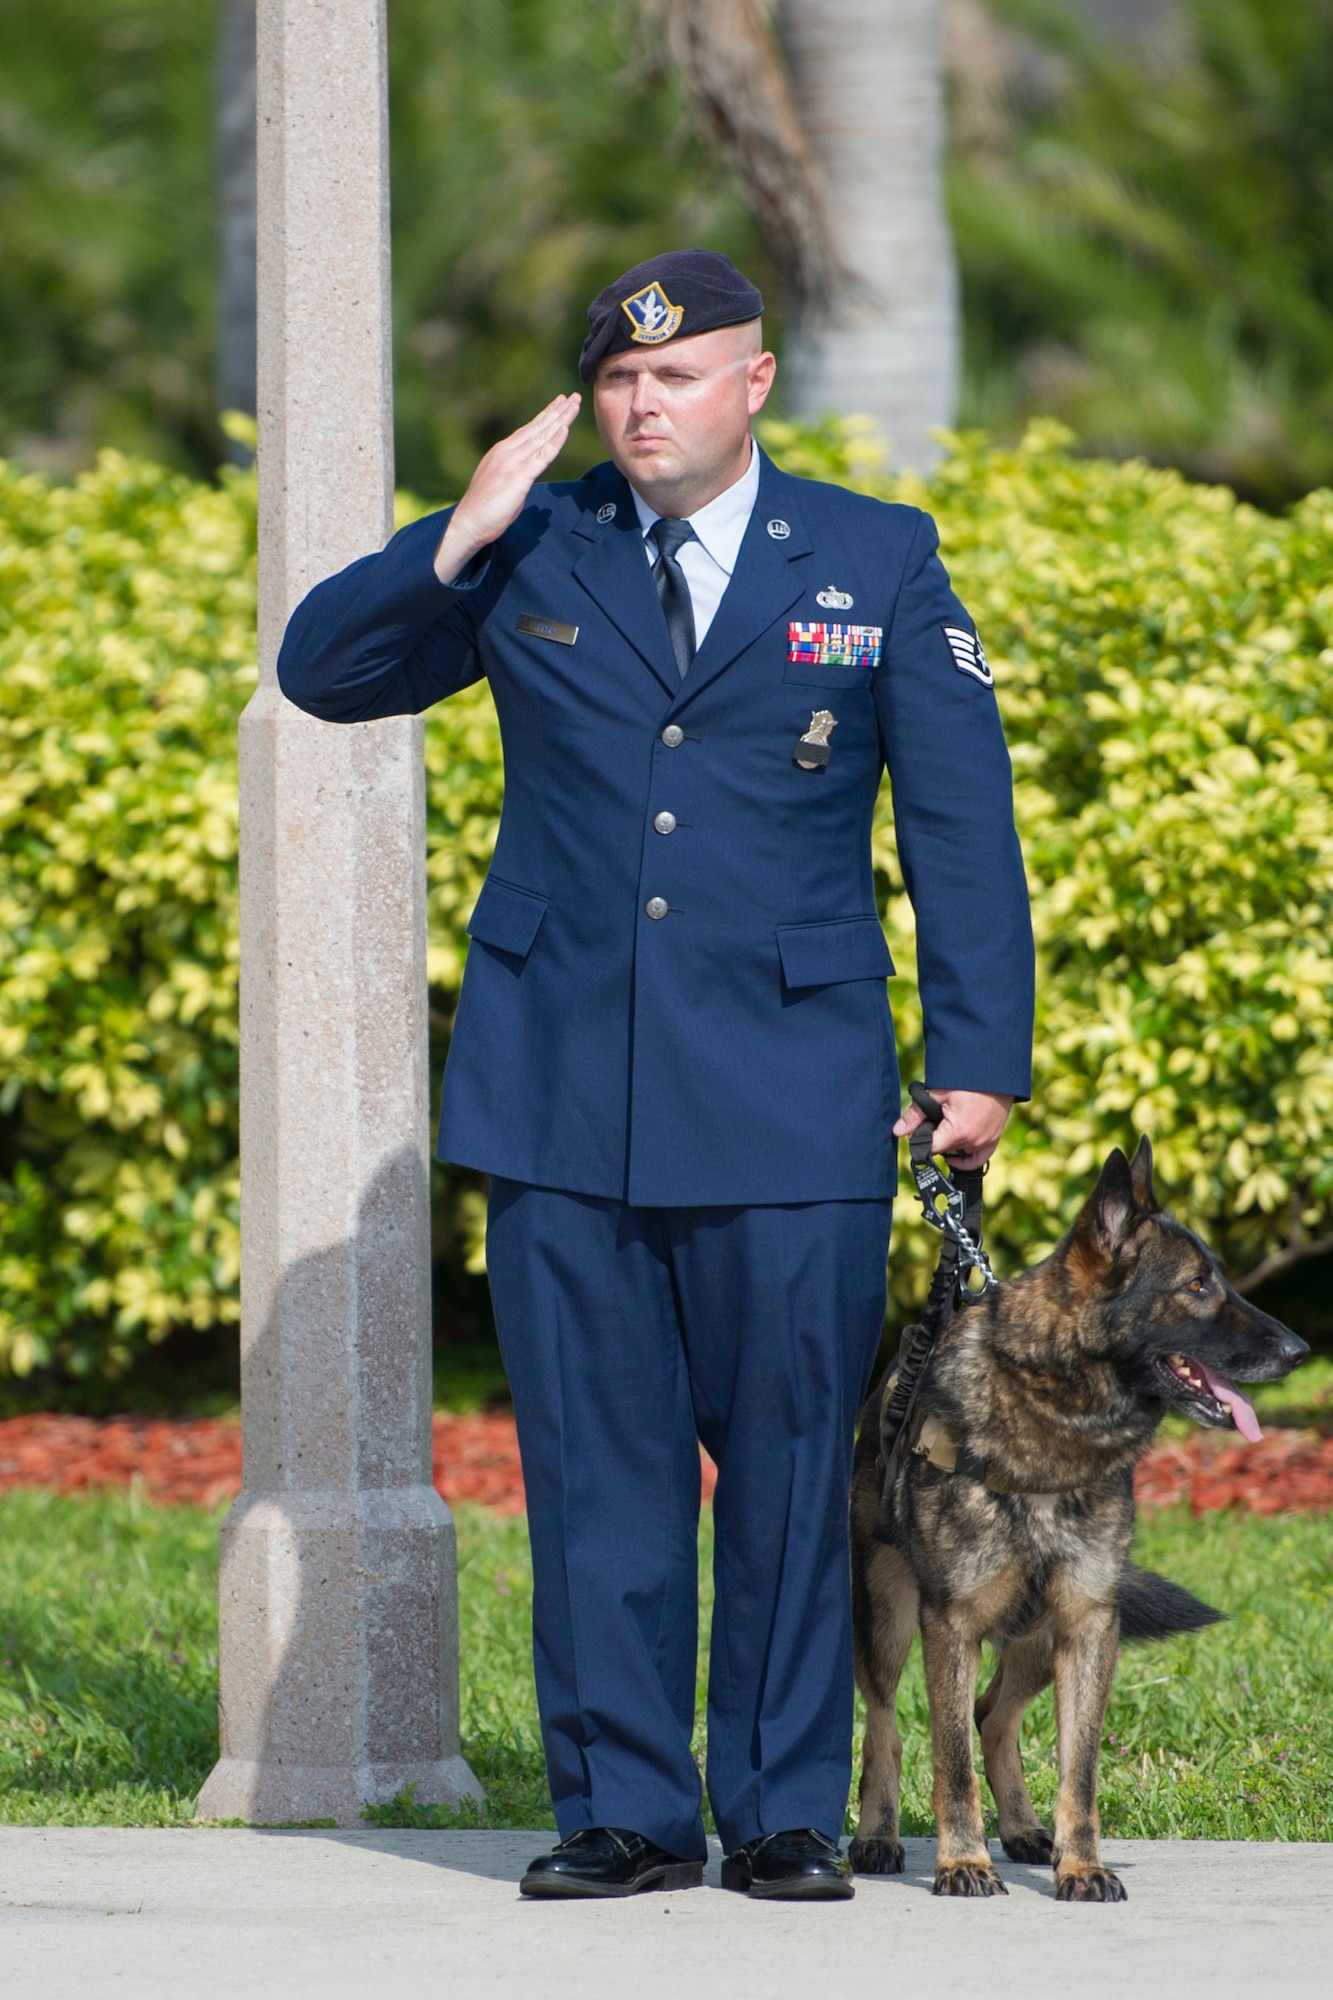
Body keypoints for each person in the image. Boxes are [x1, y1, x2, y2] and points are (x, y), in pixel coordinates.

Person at [277, 250, 1034, 1901]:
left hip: (792, 1090)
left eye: (676, 376)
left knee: (779, 1463)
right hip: (567, 1090)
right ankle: (623, 1810)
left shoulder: (873, 556)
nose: (640, 404)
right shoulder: (533, 545)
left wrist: (977, 1059)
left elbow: (961, 822)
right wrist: (457, 529)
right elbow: (323, 672)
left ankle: (777, 1813)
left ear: (751, 384)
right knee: (597, 1477)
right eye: (620, 380)